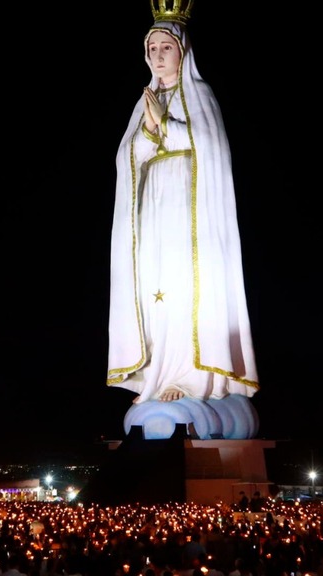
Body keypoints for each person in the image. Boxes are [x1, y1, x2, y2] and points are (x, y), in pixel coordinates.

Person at [106, 5, 259, 407]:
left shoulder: (200, 95)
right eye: (152, 48)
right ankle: (160, 372)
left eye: (165, 48)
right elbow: (128, 156)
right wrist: (152, 129)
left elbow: (209, 148)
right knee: (156, 286)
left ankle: (192, 377)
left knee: (189, 285)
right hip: (155, 208)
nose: (158, 56)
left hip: (191, 210)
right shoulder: (146, 102)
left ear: (183, 52)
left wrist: (166, 128)